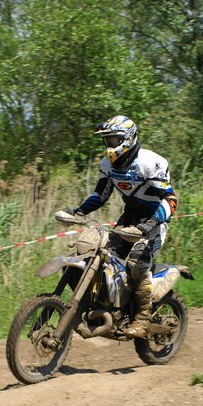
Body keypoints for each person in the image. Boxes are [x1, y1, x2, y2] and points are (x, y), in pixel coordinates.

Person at [66, 114, 177, 338]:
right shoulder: (108, 164)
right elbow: (101, 194)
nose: (110, 145)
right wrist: (79, 211)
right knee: (101, 256)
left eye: (114, 140)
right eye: (107, 141)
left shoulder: (149, 162)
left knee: (137, 263)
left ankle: (143, 318)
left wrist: (150, 224)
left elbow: (171, 200)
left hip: (155, 222)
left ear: (127, 138)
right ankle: (105, 306)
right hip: (129, 219)